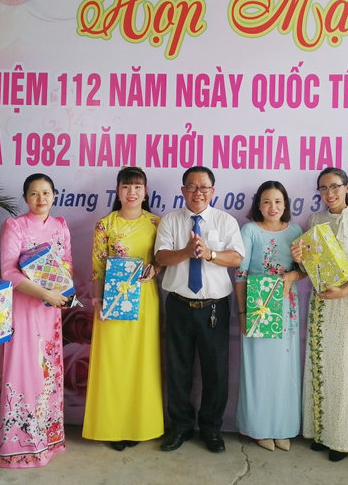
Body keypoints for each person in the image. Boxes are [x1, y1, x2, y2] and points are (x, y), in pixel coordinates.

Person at [155, 166, 244, 453]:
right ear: (183, 191)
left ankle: (211, 429)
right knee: (178, 369)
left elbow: (236, 258)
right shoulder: (170, 221)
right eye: (192, 187)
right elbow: (161, 257)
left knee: (215, 371)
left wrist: (209, 253)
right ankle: (180, 427)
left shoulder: (225, 221)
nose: (198, 193)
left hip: (214, 308)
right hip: (178, 306)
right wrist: (187, 251)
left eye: (204, 187)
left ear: (212, 191)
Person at [291, 167, 348, 462]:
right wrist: (299, 259)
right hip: (322, 302)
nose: (330, 193)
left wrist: (346, 289)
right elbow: (311, 264)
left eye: (335, 186)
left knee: (346, 370)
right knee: (322, 364)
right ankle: (321, 433)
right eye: (324, 188)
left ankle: (343, 438)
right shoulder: (315, 220)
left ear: (347, 187)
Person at [83, 166, 164, 449]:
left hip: (144, 300)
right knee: (113, 362)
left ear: (145, 191)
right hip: (112, 299)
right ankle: (112, 428)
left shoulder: (156, 223)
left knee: (142, 362)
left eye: (138, 187)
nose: (132, 192)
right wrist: (98, 301)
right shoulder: (105, 225)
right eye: (126, 186)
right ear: (117, 191)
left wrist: (156, 269)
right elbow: (97, 267)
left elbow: (163, 259)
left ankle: (138, 426)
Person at [0, 173, 70, 467]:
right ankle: (20, 446)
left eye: (46, 193)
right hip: (25, 308)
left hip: (50, 311)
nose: (41, 199)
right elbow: (8, 272)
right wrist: (43, 293)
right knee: (24, 369)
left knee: (47, 372)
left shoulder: (60, 226)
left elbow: (66, 265)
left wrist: (62, 292)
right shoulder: (15, 226)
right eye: (34, 193)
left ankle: (48, 439)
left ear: (54, 195)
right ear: (25, 197)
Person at [234, 181, 305, 452]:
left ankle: (282, 428)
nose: (272, 207)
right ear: (258, 205)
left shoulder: (296, 231)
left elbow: (305, 270)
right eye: (266, 201)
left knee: (284, 369)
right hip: (258, 307)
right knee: (259, 369)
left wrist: (293, 274)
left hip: (286, 308)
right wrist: (242, 313)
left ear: (285, 204)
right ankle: (259, 428)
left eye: (277, 201)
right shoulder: (250, 230)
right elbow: (240, 275)